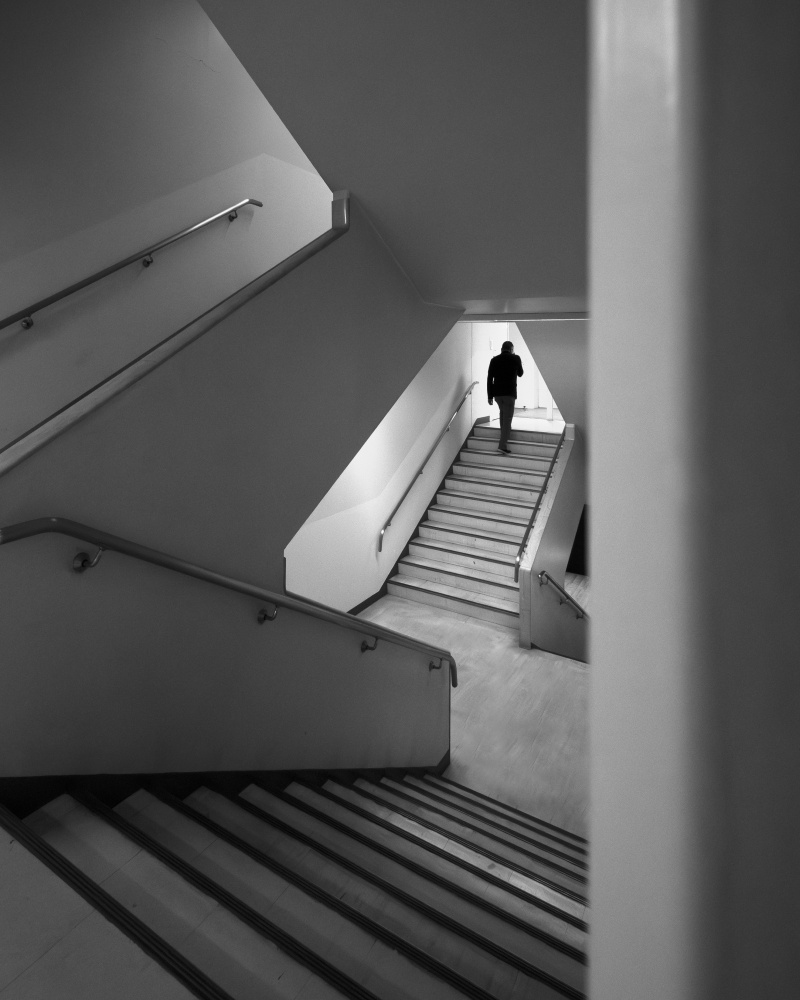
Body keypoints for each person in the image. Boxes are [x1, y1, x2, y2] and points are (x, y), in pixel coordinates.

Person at [487, 340, 524, 454]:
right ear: (511, 349)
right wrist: (518, 362)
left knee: (503, 415)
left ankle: (505, 434)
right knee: (507, 419)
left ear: (502, 349)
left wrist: (490, 396)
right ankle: (502, 445)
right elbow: (520, 373)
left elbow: (489, 379)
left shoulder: (494, 360)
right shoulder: (515, 358)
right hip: (509, 394)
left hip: (497, 394)